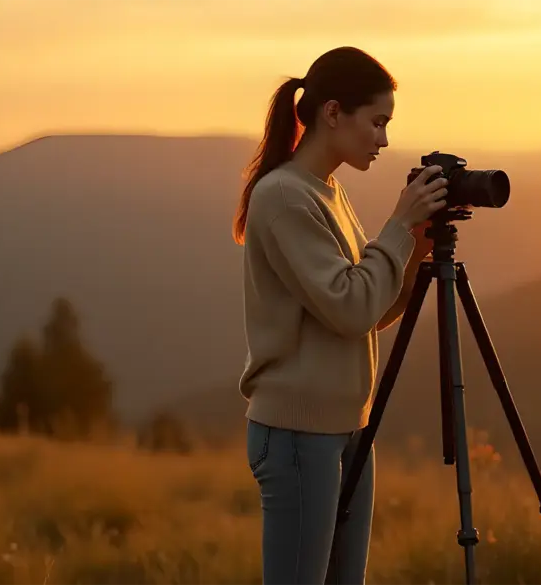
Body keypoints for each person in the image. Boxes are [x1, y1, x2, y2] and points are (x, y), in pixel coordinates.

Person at [232, 46, 451, 584]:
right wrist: (397, 228)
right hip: (297, 430)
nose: (384, 139)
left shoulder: (329, 191)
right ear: (333, 113)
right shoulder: (283, 196)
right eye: (376, 122)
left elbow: (364, 311)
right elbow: (351, 308)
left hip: (344, 428)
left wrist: (414, 251)